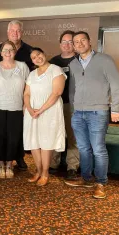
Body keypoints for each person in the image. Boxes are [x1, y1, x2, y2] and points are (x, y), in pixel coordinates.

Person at [65, 31, 119, 199]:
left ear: (89, 42)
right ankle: (86, 178)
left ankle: (100, 183)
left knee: (98, 149)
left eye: (83, 40)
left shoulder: (105, 60)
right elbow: (72, 90)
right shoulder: (74, 64)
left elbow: (117, 85)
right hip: (78, 113)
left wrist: (115, 109)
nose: (80, 43)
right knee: (83, 148)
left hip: (98, 111)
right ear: (74, 46)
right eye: (76, 42)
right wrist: (73, 110)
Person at [0, 41, 29, 179]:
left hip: (17, 108)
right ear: (1, 52)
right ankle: (1, 164)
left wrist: (25, 106)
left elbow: (29, 87)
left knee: (13, 138)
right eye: (5, 50)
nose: (8, 52)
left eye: (11, 49)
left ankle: (9, 165)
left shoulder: (22, 67)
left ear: (15, 51)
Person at [23, 48, 66, 186]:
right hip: (32, 112)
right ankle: (38, 170)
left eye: (39, 54)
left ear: (44, 54)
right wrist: (30, 109)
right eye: (34, 57)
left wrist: (40, 110)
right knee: (33, 141)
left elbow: (57, 92)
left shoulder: (56, 69)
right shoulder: (32, 74)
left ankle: (45, 173)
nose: (37, 58)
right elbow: (26, 94)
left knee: (46, 141)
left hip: (49, 110)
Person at [49, 30, 80, 179]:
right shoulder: (53, 62)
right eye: (64, 42)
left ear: (74, 44)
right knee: (55, 133)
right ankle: (53, 163)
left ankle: (72, 166)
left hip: (74, 105)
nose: (67, 45)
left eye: (70, 42)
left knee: (73, 135)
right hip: (56, 104)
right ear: (60, 44)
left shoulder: (81, 60)